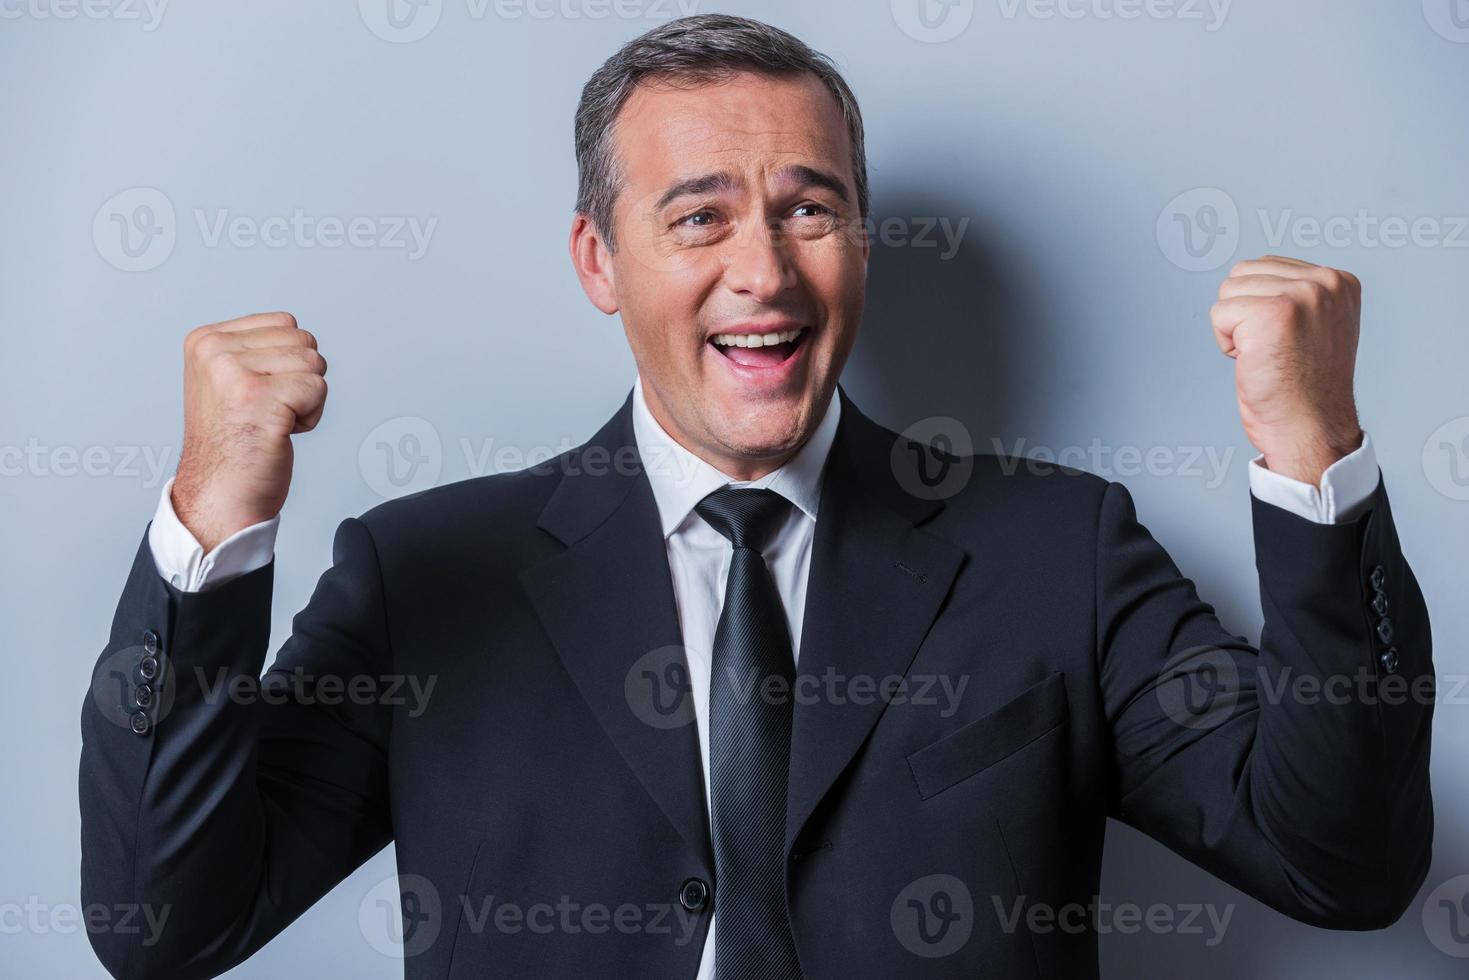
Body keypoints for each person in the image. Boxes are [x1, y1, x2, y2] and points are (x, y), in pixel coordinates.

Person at [79, 14, 1432, 980]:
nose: (764, 271)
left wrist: (1308, 451)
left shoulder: (1057, 553)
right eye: (697, 217)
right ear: (597, 260)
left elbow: (1339, 865)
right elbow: (165, 927)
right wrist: (212, 524)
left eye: (809, 209)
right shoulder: (424, 574)